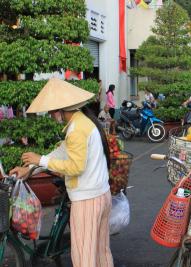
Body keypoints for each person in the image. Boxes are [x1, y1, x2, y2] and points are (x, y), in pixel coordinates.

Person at [10, 78, 114, 267]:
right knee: (101, 253)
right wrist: (31, 168)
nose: (50, 115)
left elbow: (75, 167)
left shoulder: (77, 129)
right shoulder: (82, 123)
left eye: (51, 111)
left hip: (87, 200)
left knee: (84, 258)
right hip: (100, 195)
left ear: (60, 109)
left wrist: (39, 159)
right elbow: (61, 152)